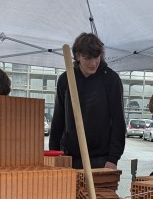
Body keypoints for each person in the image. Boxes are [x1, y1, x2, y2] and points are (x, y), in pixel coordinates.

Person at [48, 33, 126, 169]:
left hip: (101, 159)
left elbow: (118, 121)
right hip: (69, 157)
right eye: (87, 58)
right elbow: (58, 120)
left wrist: (113, 159)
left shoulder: (110, 79)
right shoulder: (65, 79)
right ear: (78, 56)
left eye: (96, 57)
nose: (93, 63)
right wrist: (54, 154)